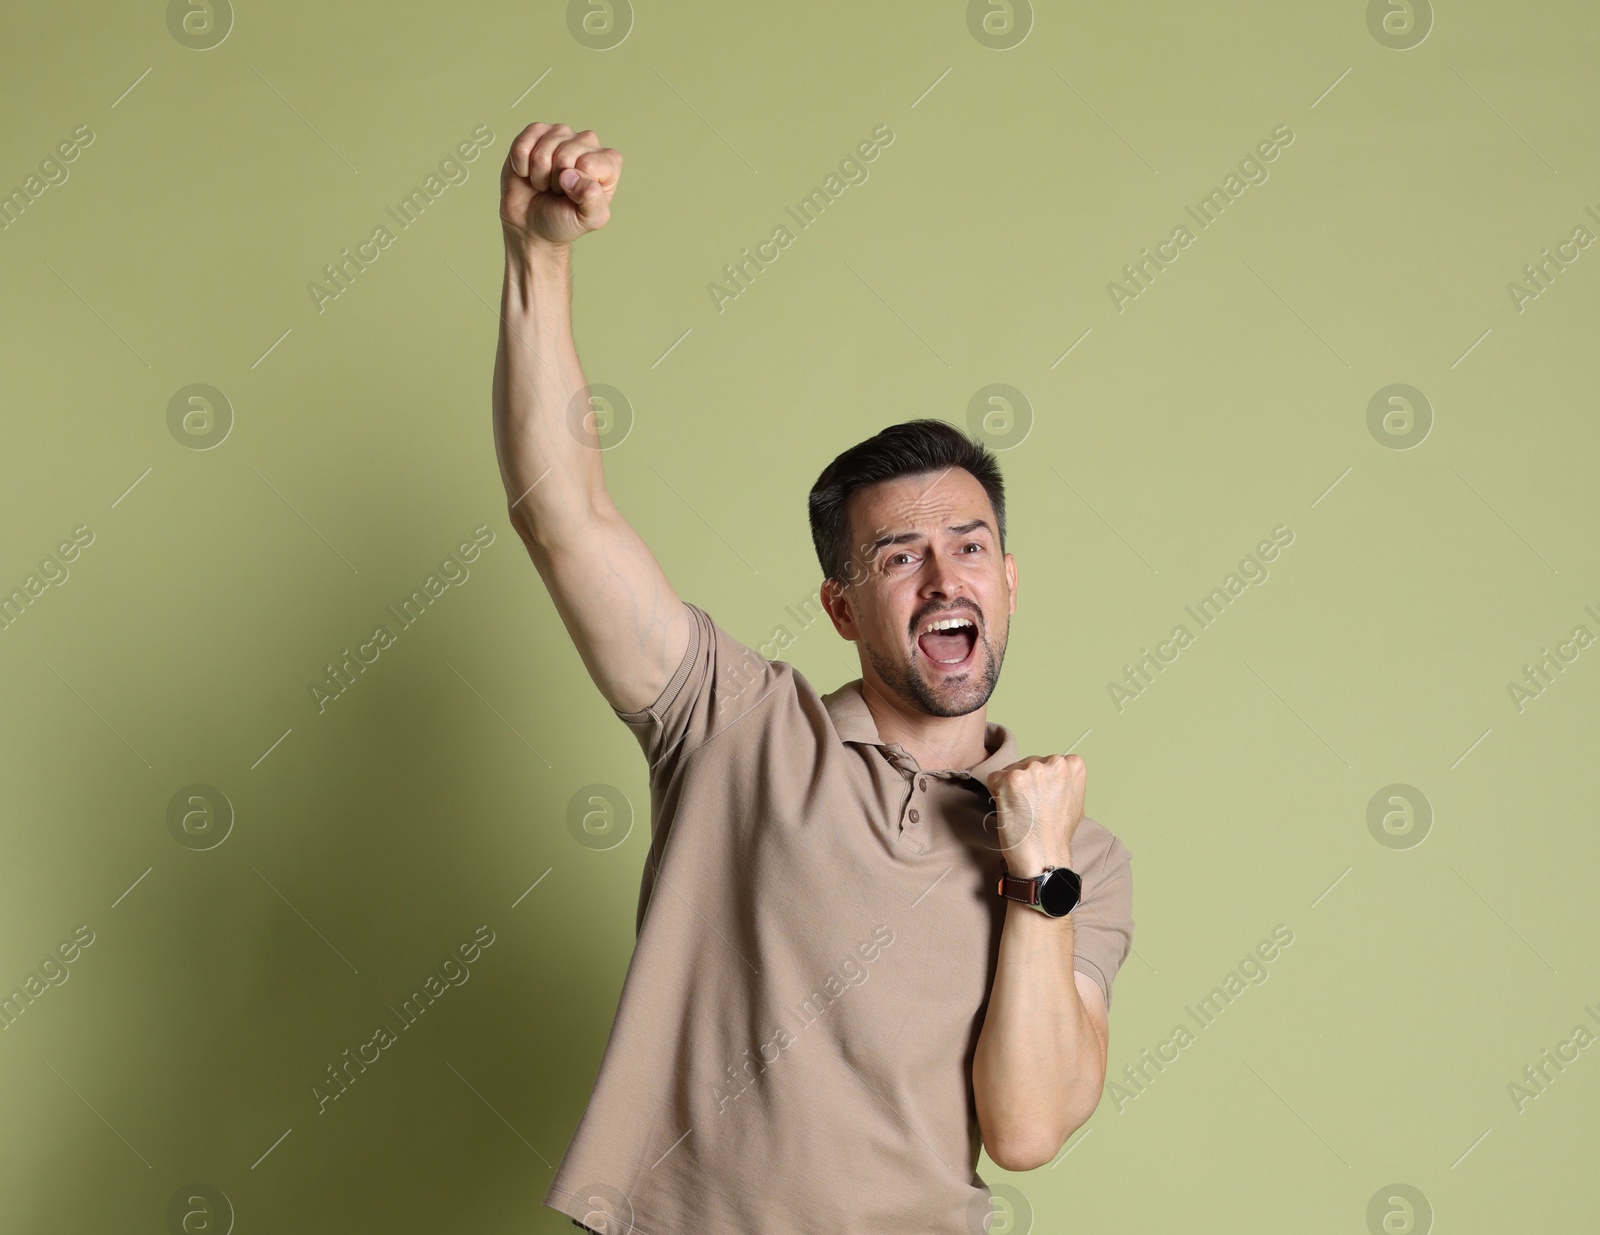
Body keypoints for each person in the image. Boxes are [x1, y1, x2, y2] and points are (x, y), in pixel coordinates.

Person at [492, 122, 1134, 1235]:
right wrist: (537, 260)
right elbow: (565, 516)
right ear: (842, 606)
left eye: (970, 544)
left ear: (1010, 581)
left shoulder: (1082, 861)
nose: (945, 573)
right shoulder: (734, 725)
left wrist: (1037, 868)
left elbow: (1026, 1127)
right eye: (900, 555)